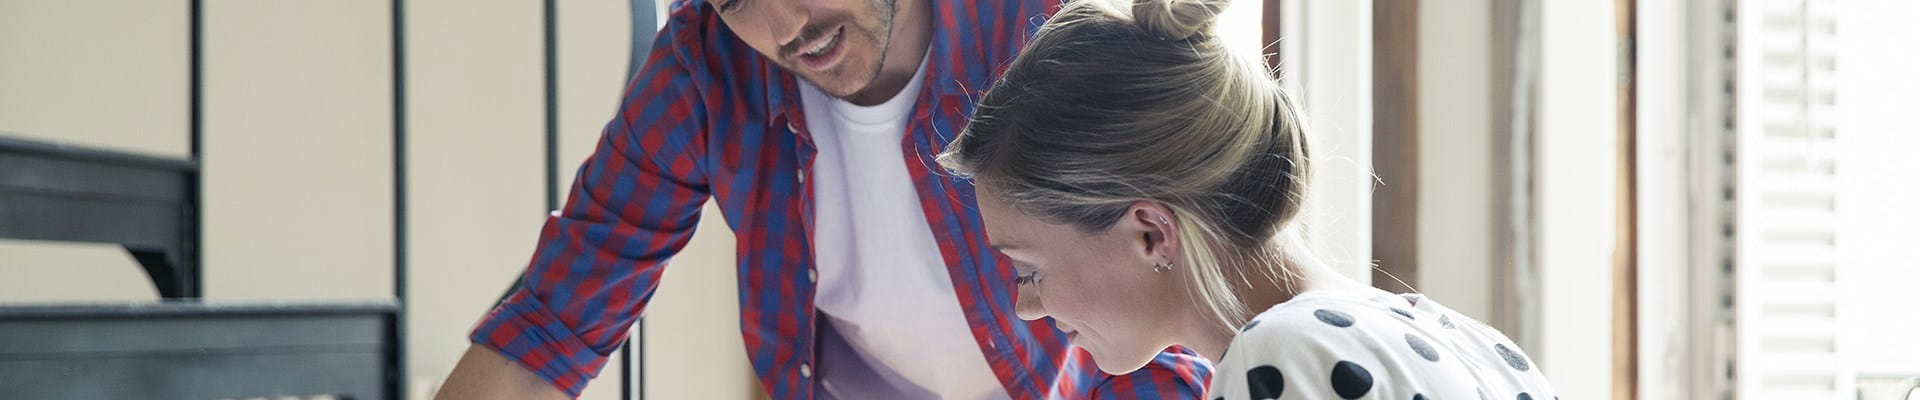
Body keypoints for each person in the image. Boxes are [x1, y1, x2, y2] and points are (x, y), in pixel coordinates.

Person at [433, 0, 1210, 397]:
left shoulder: (1042, 26)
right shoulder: (705, 69)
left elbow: (1175, 293)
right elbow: (554, 324)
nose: (783, 27)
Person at [936, 0, 1561, 398]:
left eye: (1030, 271)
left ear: (1151, 231)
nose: (1027, 308)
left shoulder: (1280, 355)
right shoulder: (1465, 339)